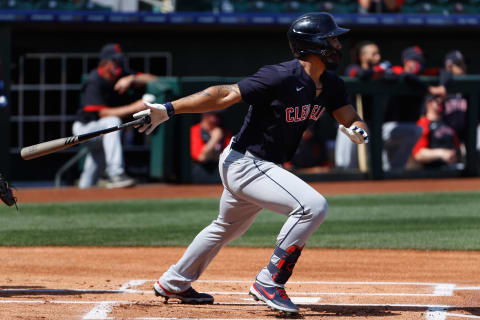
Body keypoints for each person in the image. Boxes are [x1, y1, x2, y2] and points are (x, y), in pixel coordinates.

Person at [135, 12, 369, 314]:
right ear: (315, 45)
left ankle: (174, 281)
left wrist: (358, 129)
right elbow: (225, 94)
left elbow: (349, 116)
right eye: (332, 39)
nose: (338, 45)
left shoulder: (332, 84)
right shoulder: (281, 75)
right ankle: (269, 281)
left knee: (226, 227)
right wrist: (168, 109)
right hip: (245, 162)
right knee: (313, 206)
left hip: (262, 166)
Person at [72, 43, 158, 189]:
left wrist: (132, 78)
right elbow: (102, 113)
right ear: (105, 63)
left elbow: (154, 79)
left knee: (93, 169)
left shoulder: (122, 74)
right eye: (115, 61)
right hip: (86, 128)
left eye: (119, 60)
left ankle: (81, 194)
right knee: (112, 121)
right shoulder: (94, 80)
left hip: (104, 134)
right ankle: (116, 174)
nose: (118, 63)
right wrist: (134, 107)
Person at [337, 41, 390, 170]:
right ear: (362, 56)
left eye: (378, 54)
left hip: (372, 125)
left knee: (372, 165)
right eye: (373, 54)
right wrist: (379, 69)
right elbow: (360, 74)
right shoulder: (353, 68)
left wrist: (383, 73)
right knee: (346, 165)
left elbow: (393, 76)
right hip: (350, 123)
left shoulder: (381, 73)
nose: (378, 57)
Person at [411, 95, 460, 169]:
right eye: (437, 102)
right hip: (432, 171)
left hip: (453, 168)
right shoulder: (423, 123)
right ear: (429, 103)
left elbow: (457, 147)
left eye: (443, 102)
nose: (441, 104)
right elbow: (418, 154)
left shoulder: (448, 124)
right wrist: (441, 153)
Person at [190, 112, 231, 182]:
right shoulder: (195, 129)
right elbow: (201, 158)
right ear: (205, 115)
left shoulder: (224, 132)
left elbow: (228, 158)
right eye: (213, 114)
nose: (215, 119)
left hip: (220, 176)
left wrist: (210, 155)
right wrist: (214, 139)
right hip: (200, 176)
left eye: (218, 115)